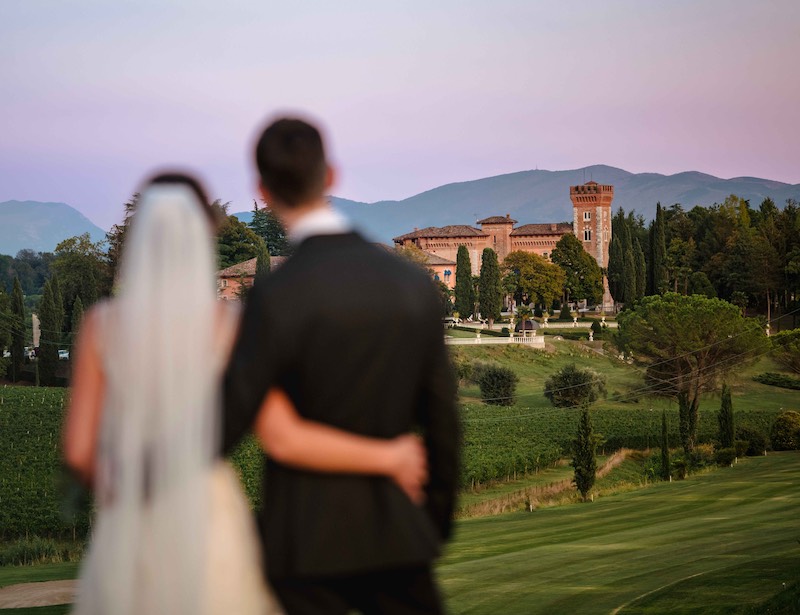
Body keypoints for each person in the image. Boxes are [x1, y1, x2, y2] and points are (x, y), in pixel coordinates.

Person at [63, 172, 429, 615]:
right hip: (207, 515)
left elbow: (80, 454)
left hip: (127, 523)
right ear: (204, 234)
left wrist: (134, 483)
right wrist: (388, 456)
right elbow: (282, 437)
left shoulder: (101, 328)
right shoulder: (226, 327)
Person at [223, 117, 460, 614]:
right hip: (398, 539)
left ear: (263, 191)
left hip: (302, 549)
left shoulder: (274, 295)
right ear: (331, 175)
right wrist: (430, 525)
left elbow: (226, 425)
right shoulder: (410, 285)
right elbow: (443, 423)